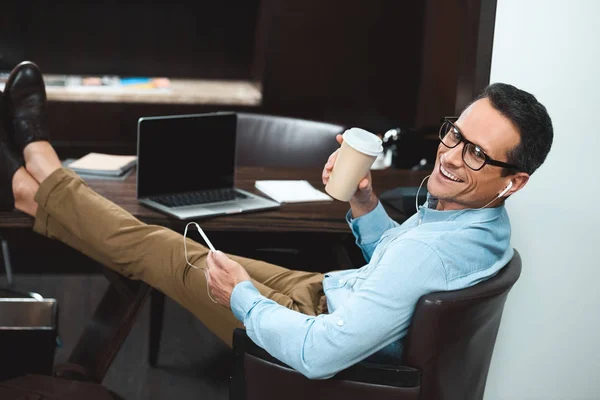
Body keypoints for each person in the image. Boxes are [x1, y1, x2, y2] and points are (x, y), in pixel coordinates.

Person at [0, 61, 553, 380]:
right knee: (161, 244)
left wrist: (242, 299)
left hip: (316, 338)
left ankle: (39, 168)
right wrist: (362, 201)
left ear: (514, 180)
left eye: (477, 154)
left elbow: (320, 356)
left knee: (160, 249)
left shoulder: (433, 249)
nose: (451, 156)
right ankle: (35, 181)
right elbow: (396, 273)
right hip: (334, 295)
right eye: (455, 133)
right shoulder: (481, 224)